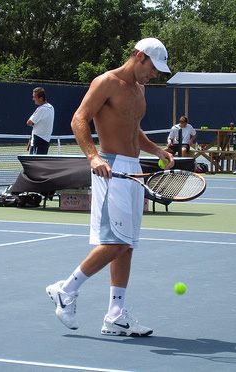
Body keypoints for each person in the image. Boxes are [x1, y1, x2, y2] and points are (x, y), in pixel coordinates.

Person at [45, 37, 174, 337]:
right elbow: (79, 119)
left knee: (126, 245)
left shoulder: (140, 90)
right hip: (110, 168)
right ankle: (66, 290)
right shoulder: (106, 82)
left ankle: (116, 315)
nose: (154, 75)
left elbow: (133, 130)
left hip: (133, 169)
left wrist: (156, 151)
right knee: (114, 241)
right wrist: (92, 157)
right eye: (153, 68)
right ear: (139, 56)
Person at [26, 87, 54, 154]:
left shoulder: (42, 109)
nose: (33, 99)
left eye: (34, 97)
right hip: (44, 141)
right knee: (40, 163)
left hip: (38, 141)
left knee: (34, 163)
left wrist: (33, 124)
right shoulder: (51, 107)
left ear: (41, 98)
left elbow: (29, 122)